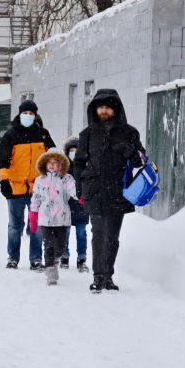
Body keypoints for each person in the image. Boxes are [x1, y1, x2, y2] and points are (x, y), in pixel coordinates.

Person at [73, 89, 145, 293]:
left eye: (107, 107)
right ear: (95, 109)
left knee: (112, 235)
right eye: (100, 107)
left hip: (117, 190)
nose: (103, 110)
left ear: (115, 109)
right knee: (98, 233)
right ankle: (98, 276)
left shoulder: (129, 132)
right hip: (94, 189)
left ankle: (108, 276)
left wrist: (128, 150)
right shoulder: (87, 134)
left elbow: (141, 160)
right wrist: (80, 186)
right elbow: (79, 162)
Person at [0, 100, 55, 270]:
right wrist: (3, 181)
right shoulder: (11, 135)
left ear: (35, 115)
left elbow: (53, 158)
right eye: (25, 113)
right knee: (15, 225)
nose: (28, 116)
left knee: (36, 226)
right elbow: (3, 161)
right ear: (20, 114)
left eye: (31, 114)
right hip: (15, 187)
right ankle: (13, 258)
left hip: (38, 188)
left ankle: (36, 259)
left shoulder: (43, 134)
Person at [28, 152, 77, 285]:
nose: (52, 165)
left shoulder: (67, 179)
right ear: (45, 164)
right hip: (45, 219)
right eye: (49, 163)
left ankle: (55, 261)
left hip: (62, 218)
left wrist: (82, 196)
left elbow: (73, 190)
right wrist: (33, 214)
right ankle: (50, 270)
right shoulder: (40, 180)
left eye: (55, 163)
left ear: (61, 164)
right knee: (48, 245)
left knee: (60, 247)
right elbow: (36, 198)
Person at [62, 137, 89, 272]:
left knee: (81, 233)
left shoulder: (86, 167)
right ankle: (64, 257)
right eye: (71, 150)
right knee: (64, 233)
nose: (74, 153)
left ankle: (82, 259)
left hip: (82, 206)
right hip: (65, 207)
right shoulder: (63, 168)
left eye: (76, 150)